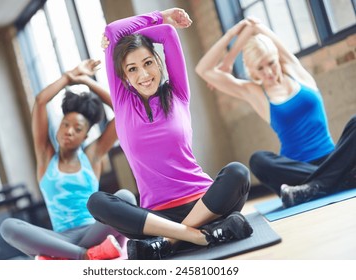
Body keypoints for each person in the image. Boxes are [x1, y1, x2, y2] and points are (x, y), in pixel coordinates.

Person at [86, 8, 253, 260]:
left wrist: (159, 20)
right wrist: (150, 20)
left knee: (237, 173)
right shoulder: (123, 103)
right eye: (132, 69)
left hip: (205, 204)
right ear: (124, 77)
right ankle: (202, 236)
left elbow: (167, 32)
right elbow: (112, 31)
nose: (143, 75)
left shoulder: (177, 93)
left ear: (157, 61)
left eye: (148, 63)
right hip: (156, 217)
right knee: (97, 202)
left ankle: (170, 242)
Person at [195, 18, 356, 208]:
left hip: (332, 159)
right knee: (258, 160)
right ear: (253, 71)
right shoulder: (255, 92)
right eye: (260, 69)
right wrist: (230, 39)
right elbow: (202, 69)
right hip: (293, 170)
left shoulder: (296, 70)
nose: (268, 72)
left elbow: (255, 26)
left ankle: (314, 187)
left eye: (271, 63)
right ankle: (336, 181)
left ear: (277, 58)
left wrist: (229, 59)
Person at [0, 59, 137, 260]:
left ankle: (68, 257)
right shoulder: (45, 156)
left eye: (78, 129)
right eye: (65, 125)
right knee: (8, 227)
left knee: (126, 198)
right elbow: (40, 101)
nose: (69, 131)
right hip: (59, 239)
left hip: (95, 231)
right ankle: (85, 256)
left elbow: (123, 109)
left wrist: (86, 81)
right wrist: (68, 76)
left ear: (85, 136)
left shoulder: (93, 154)